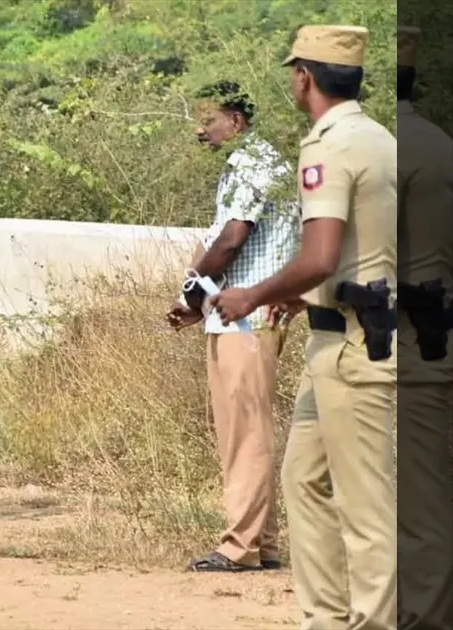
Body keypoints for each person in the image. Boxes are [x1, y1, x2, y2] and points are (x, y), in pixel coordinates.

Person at [211, 25, 397, 630]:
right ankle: (327, 618)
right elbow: (358, 248)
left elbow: (318, 255)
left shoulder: (328, 146)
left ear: (304, 78)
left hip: (354, 345)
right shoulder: (379, 139)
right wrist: (302, 295)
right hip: (344, 328)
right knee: (303, 479)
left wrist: (255, 294)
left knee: (365, 505)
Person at [166, 80, 299, 572]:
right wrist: (193, 301)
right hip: (231, 313)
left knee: (246, 429)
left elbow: (231, 241)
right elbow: (218, 241)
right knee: (242, 426)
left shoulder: (254, 163)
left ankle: (239, 545)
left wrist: (191, 295)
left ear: (237, 121)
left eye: (209, 121)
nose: (201, 131)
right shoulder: (249, 164)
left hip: (251, 315)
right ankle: (261, 542)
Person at [395, 25, 453, 630]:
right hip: (428, 331)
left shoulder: (392, 150)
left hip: (412, 336)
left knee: (420, 503)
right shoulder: (436, 142)